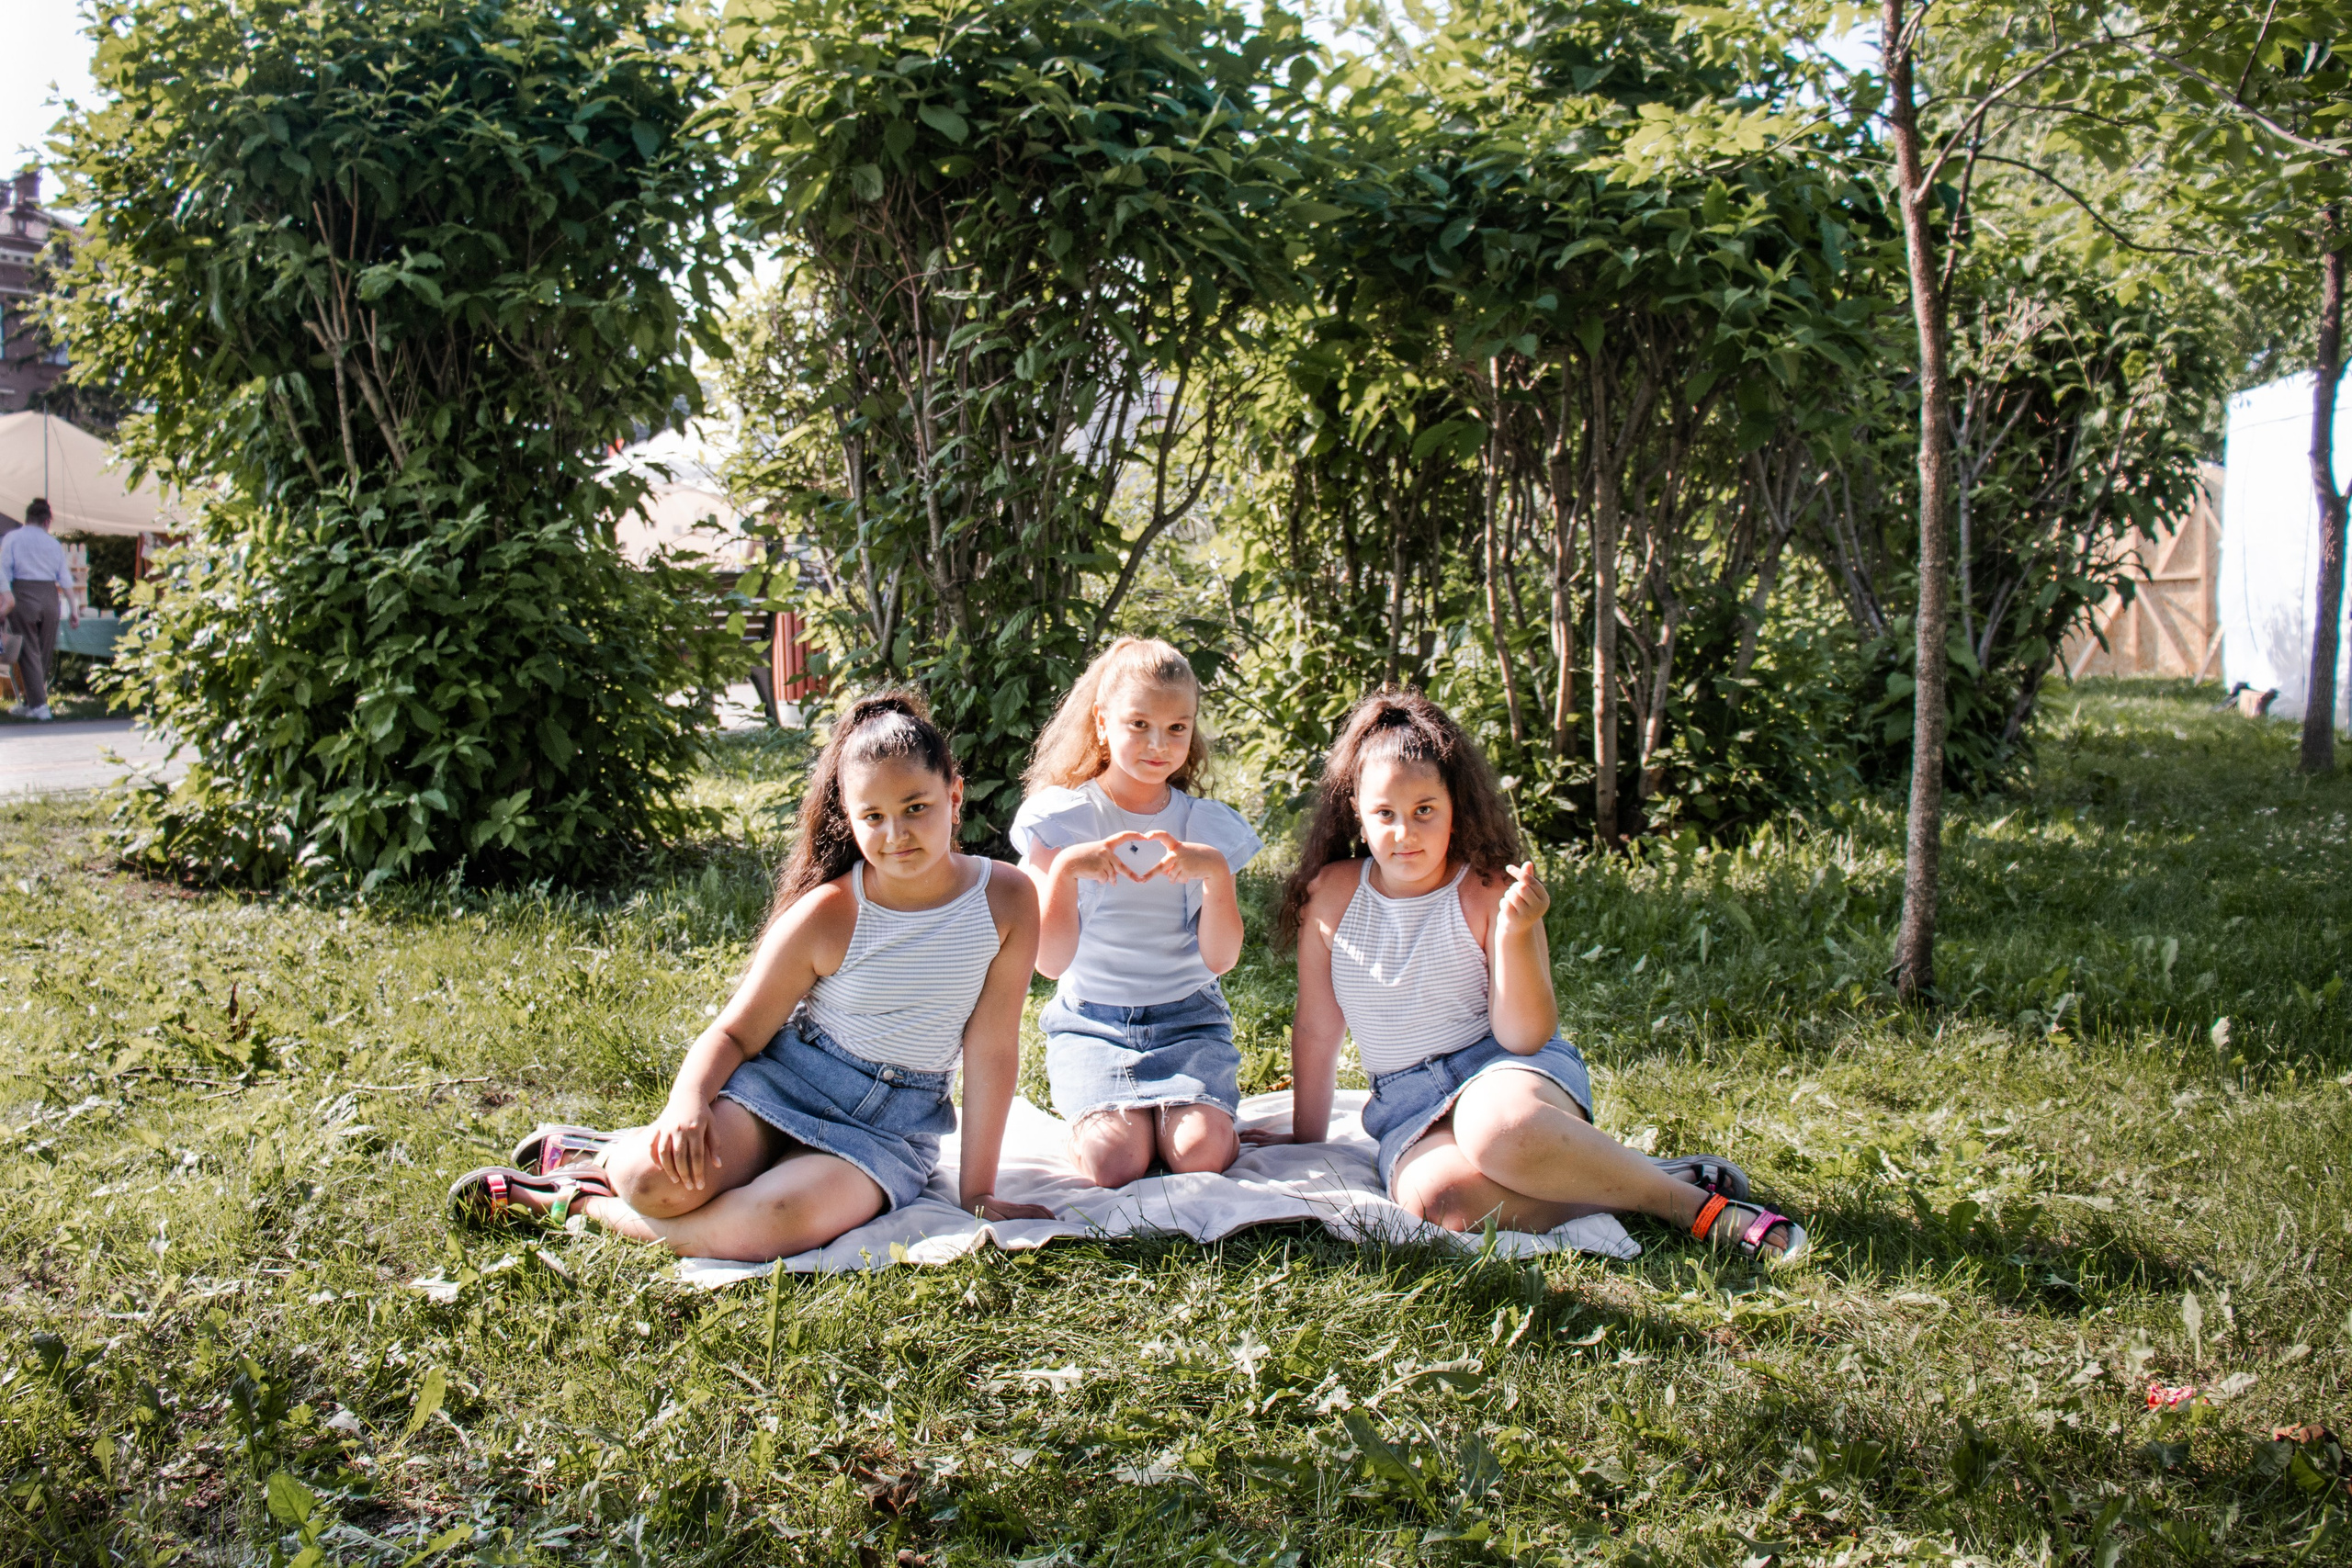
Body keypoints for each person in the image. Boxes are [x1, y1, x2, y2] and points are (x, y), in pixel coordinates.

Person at [452, 692, 1057, 1258]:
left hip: (888, 1128)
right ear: (848, 816)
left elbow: (993, 1047)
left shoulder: (1006, 900)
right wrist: (686, 1103)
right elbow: (736, 1033)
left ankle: (570, 1197)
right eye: (873, 815)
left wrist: (978, 1191)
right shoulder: (829, 913)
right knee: (650, 1182)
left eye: (916, 808)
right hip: (786, 1088)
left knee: (772, 1223)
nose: (896, 834)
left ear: (954, 794)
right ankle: (608, 1154)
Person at [1271, 691, 1807, 1262]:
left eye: (1425, 810)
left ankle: (1693, 1208)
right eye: (1386, 814)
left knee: (1496, 1131)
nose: (1405, 834)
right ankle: (1648, 1181)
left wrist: (1516, 935)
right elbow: (1317, 1028)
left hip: (1502, 1075)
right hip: (1406, 1104)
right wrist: (1307, 1142)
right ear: (1356, 808)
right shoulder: (1329, 894)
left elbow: (1523, 1036)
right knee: (1439, 1202)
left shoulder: (1486, 890)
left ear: (1456, 805)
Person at [1009, 637, 1265, 1187]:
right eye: (1139, 724)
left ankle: (1190, 1115)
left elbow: (1220, 959)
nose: (1159, 744)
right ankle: (1114, 1115)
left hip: (1189, 1020)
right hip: (1093, 1023)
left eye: (1177, 727)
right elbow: (1051, 964)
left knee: (1200, 1155)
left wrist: (1217, 874)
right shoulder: (1063, 821)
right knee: (1114, 1162)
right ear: (1102, 722)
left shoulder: (1205, 827)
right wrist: (1067, 870)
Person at [1, 498, 78, 721]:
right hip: (50, 596)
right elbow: (64, 577)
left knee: (29, 651)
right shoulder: (53, 543)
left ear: (27, 518)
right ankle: (33, 703)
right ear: (47, 521)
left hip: (23, 593)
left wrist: (5, 600)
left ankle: (39, 706)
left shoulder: (13, 537)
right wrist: (73, 607)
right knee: (43, 652)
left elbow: (4, 570)